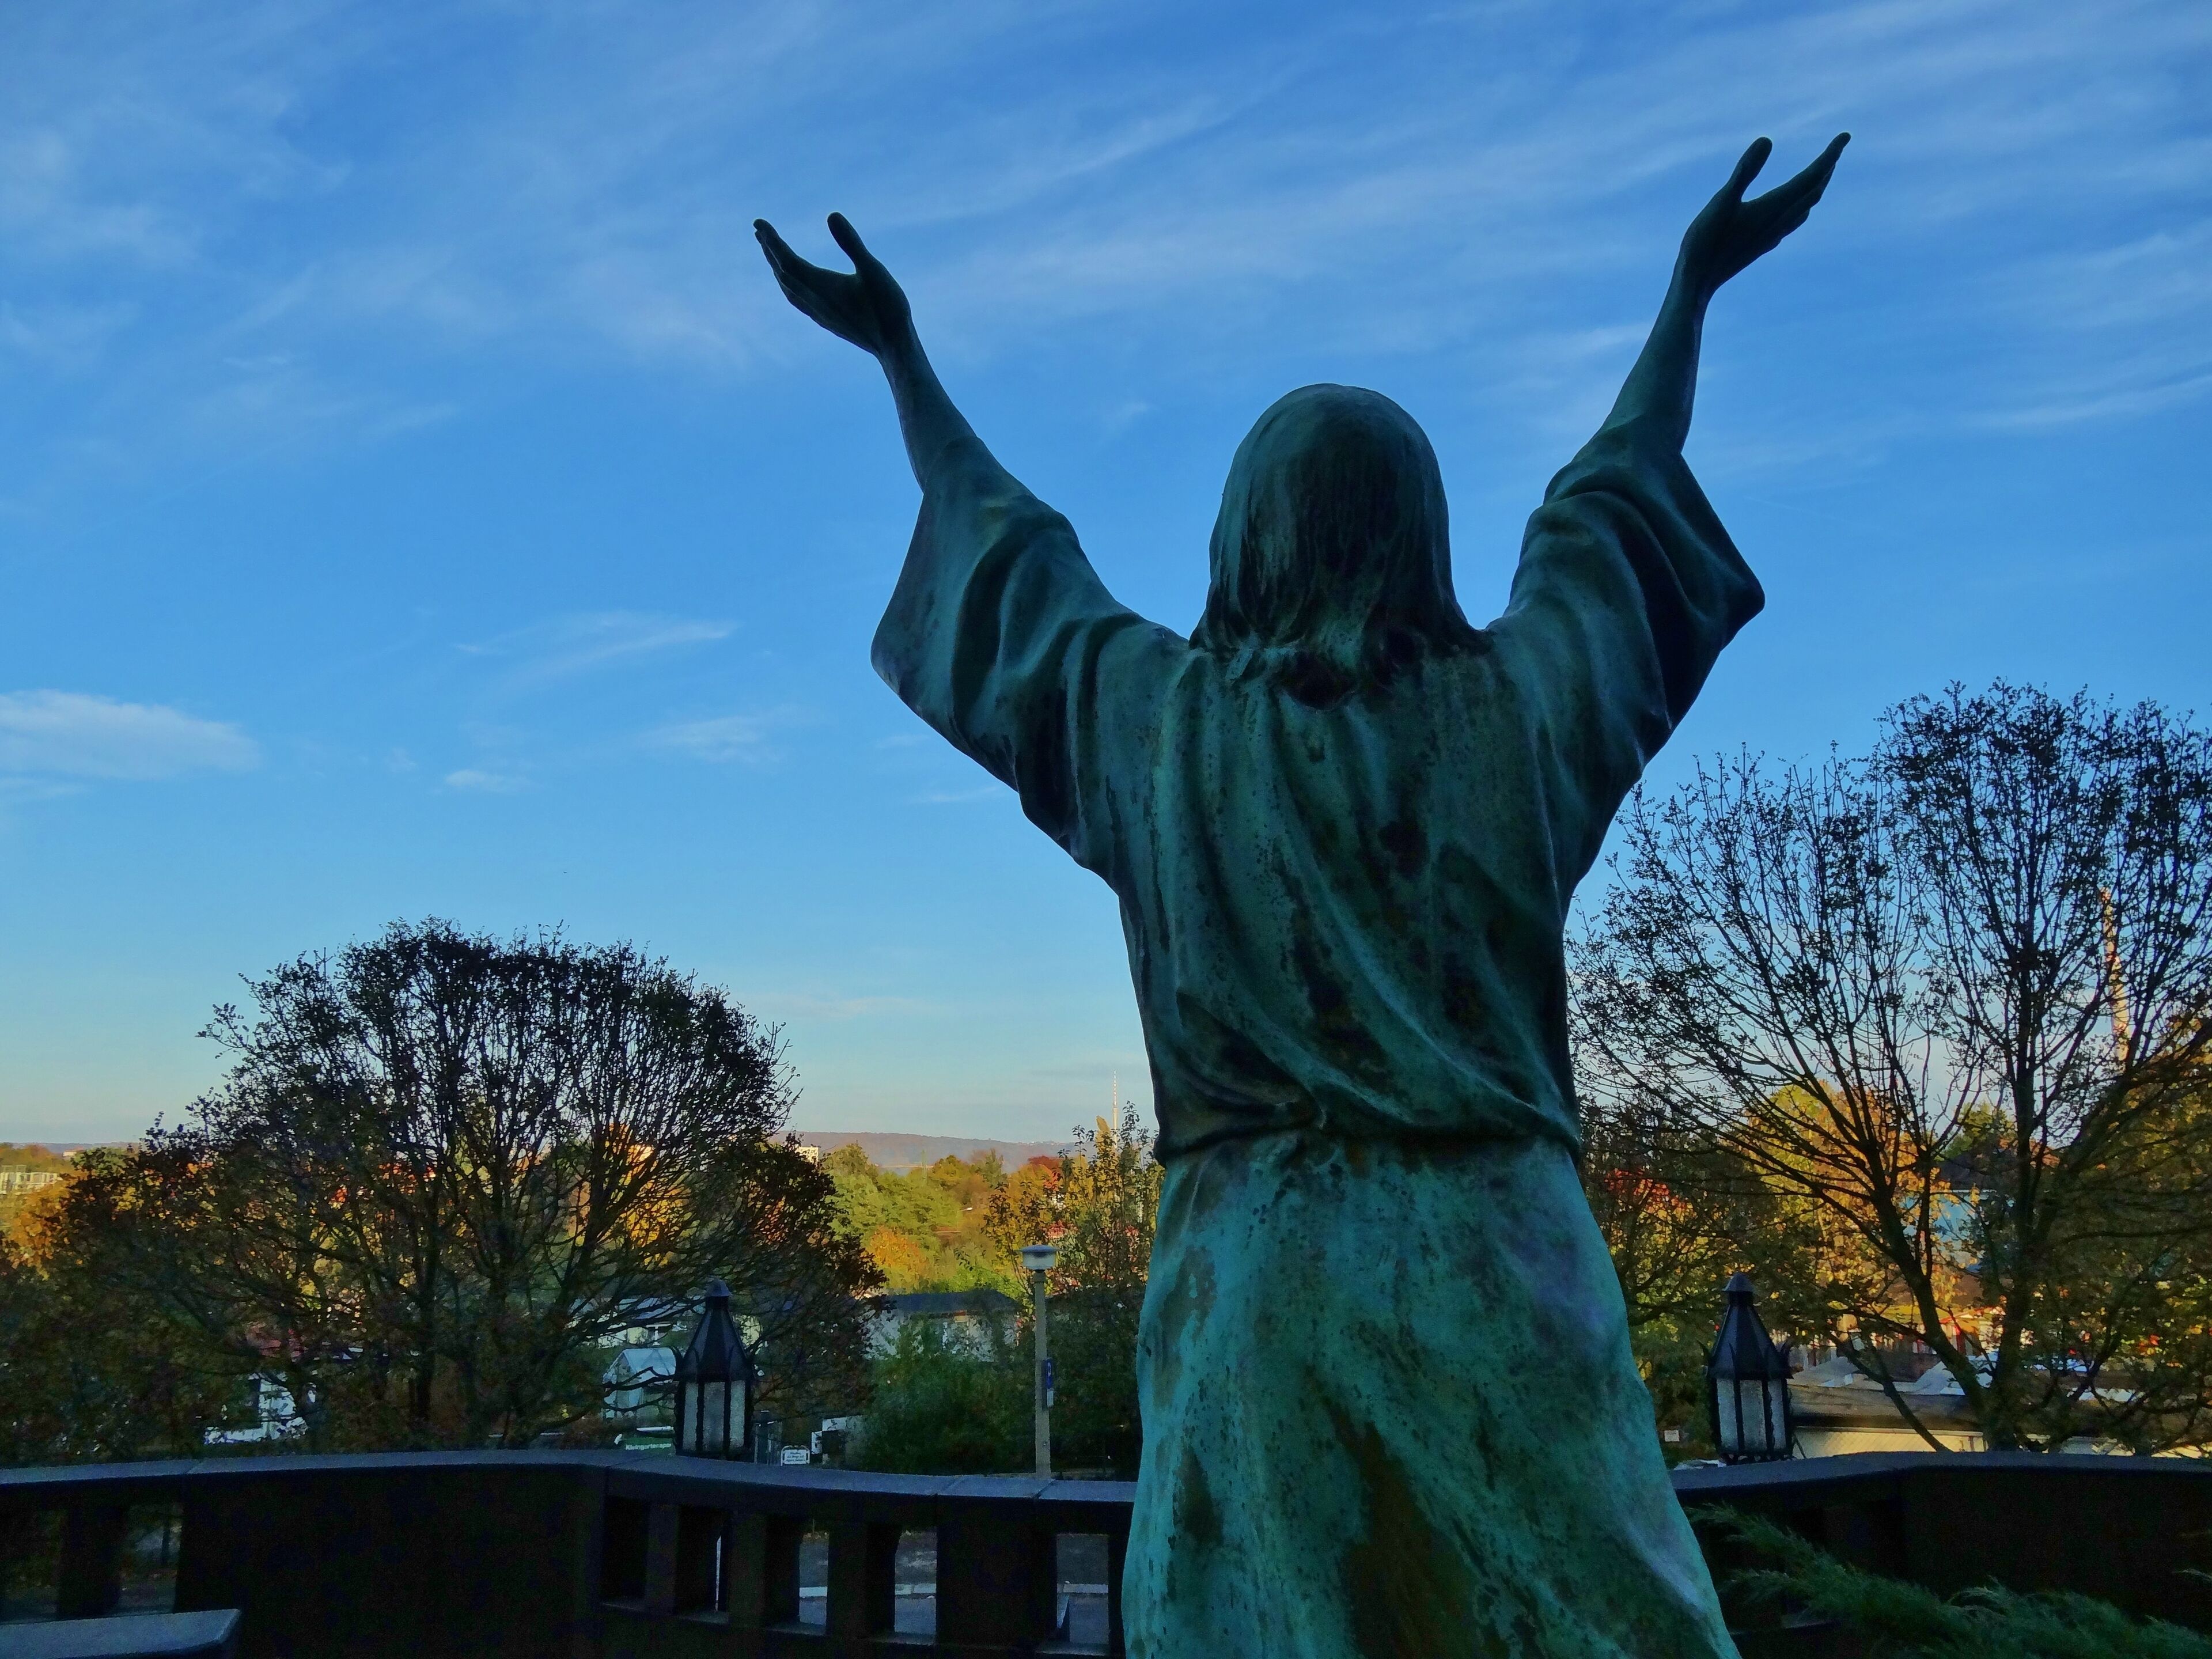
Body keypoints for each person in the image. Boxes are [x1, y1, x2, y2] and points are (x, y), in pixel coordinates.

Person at [757, 132, 1847, 1659]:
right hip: (1501, 1260)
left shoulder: (1159, 726)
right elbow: (1613, 506)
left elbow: (1007, 553)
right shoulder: (1518, 717)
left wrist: (902, 357)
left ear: (1243, 531)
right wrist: (1689, 295)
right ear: (1421, 528)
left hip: (1256, 1280)